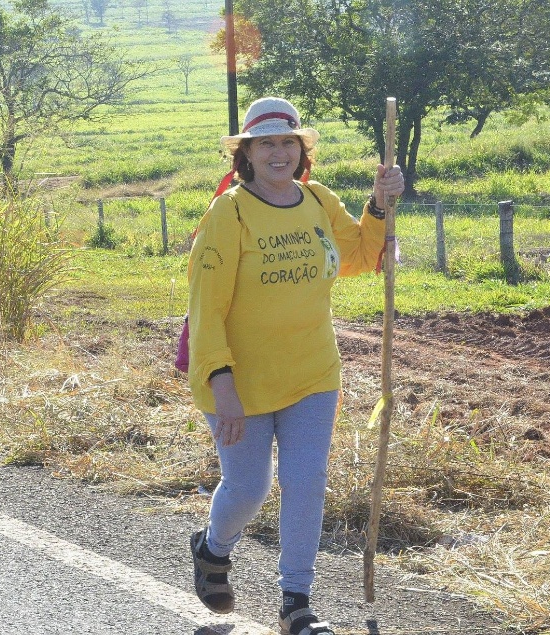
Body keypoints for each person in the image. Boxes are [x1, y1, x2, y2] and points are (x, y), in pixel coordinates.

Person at [186, 97, 405, 635]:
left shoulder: (318, 200)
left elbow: (357, 256)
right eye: (267, 144)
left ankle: (295, 602)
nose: (279, 152)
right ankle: (213, 549)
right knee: (248, 490)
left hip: (312, 372)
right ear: (248, 155)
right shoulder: (229, 213)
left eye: (288, 142)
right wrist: (223, 385)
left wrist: (378, 205)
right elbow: (205, 310)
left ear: (301, 151)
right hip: (240, 378)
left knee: (306, 482)